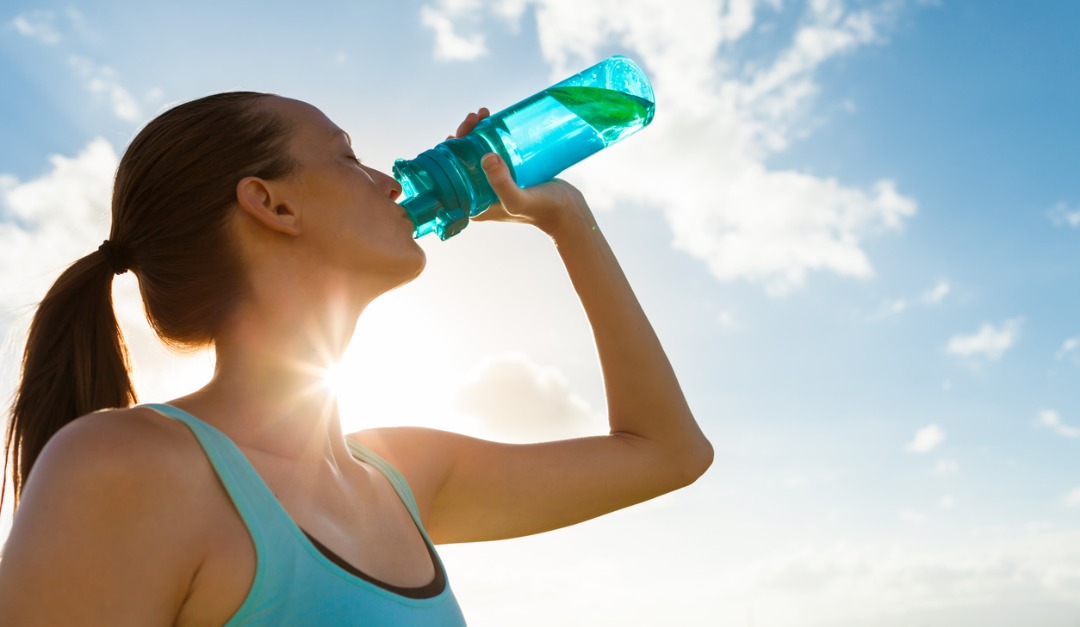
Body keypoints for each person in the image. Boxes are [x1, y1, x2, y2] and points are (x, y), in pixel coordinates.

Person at [0, 92, 713, 625]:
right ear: (271, 204)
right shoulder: (128, 465)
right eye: (347, 156)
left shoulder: (400, 475)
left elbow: (669, 452)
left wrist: (564, 219)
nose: (392, 180)